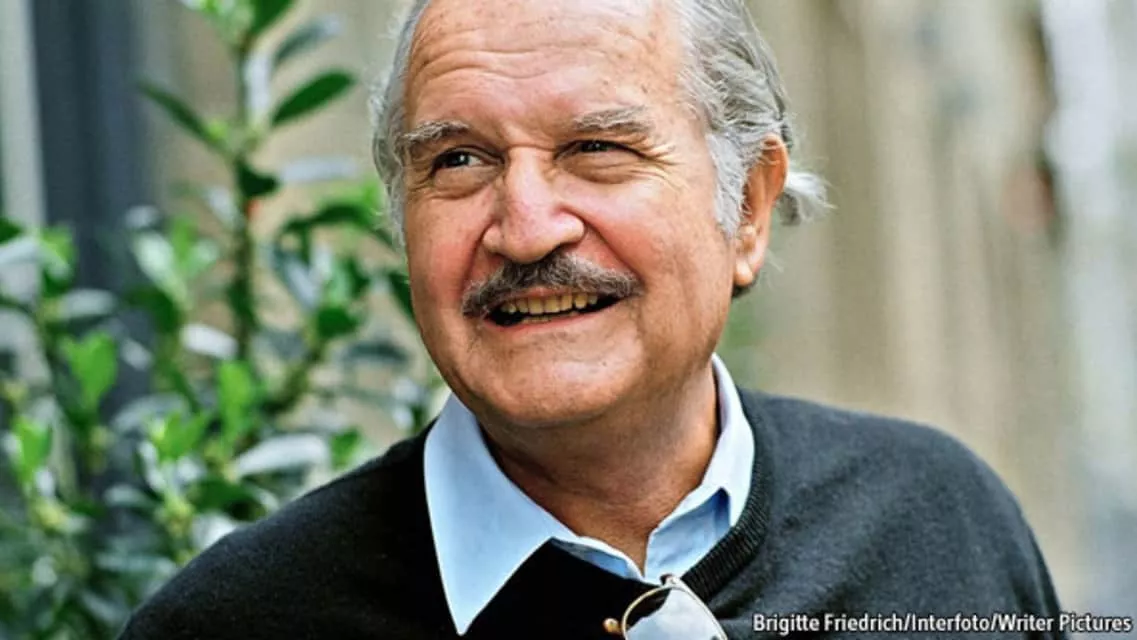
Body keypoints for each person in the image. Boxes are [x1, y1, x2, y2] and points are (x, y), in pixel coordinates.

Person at [121, 0, 1066, 638]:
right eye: (458, 160)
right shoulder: (237, 623)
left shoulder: (939, 526)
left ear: (746, 208)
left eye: (597, 148)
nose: (526, 227)